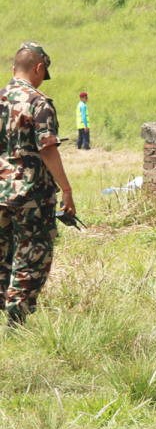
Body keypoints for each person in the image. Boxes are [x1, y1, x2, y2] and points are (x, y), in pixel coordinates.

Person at [0, 42, 75, 324]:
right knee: (31, 255)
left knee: (3, 252)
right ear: (39, 68)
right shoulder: (39, 103)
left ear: (13, 68)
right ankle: (16, 322)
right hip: (31, 196)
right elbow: (47, 149)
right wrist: (66, 190)